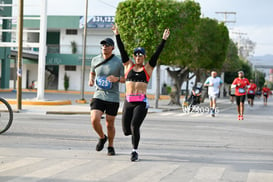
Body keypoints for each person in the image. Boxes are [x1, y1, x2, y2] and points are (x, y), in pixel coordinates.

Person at [112, 24, 170, 161]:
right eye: (136, 55)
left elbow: (157, 54)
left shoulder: (148, 69)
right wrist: (117, 35)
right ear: (134, 56)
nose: (138, 57)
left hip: (141, 103)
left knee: (134, 126)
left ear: (144, 57)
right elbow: (122, 50)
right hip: (128, 102)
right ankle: (132, 139)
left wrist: (164, 40)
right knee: (127, 130)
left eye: (141, 55)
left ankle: (134, 151)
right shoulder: (128, 66)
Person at [88, 37, 125, 156]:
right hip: (98, 94)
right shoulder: (95, 59)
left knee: (110, 123)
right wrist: (91, 79)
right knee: (94, 119)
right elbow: (92, 71)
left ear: (112, 48)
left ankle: (111, 145)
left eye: (107, 45)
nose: (105, 46)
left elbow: (125, 79)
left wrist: (117, 79)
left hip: (112, 97)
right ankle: (102, 137)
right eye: (103, 45)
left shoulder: (118, 62)